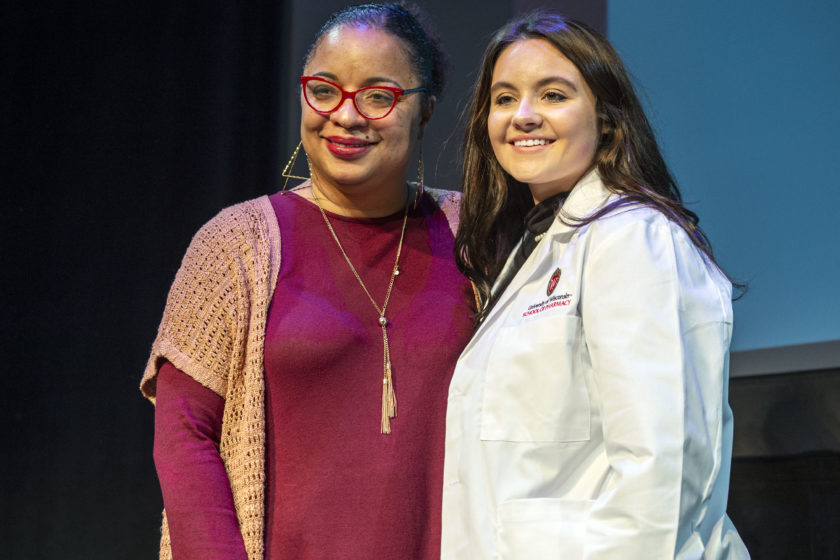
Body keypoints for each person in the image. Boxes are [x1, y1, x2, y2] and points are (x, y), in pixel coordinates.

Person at [140, 4, 475, 559]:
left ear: (425, 111)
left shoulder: (473, 237)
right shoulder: (236, 244)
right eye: (325, 89)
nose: (346, 115)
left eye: (378, 95)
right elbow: (184, 437)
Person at [442, 12, 749, 559]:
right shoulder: (532, 251)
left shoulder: (633, 237)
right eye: (505, 98)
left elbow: (660, 471)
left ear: (606, 119)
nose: (524, 116)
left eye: (554, 94)